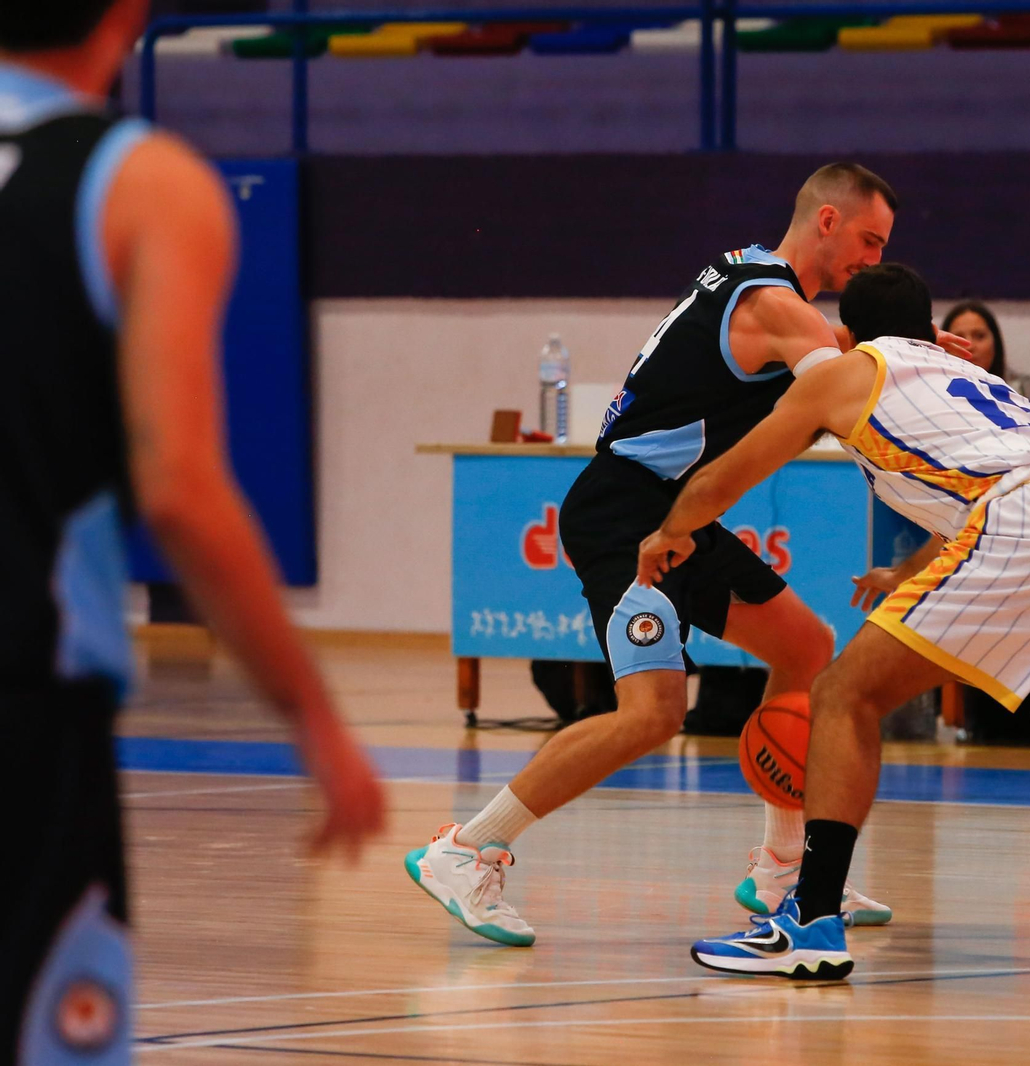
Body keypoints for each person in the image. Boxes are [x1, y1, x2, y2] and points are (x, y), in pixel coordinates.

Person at [406, 164, 974, 945]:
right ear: (829, 222)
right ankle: (467, 848)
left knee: (805, 645)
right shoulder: (778, 306)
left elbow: (839, 349)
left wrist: (908, 347)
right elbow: (850, 395)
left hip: (673, 513)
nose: (872, 261)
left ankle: (780, 867)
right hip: (623, 514)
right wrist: (927, 373)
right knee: (653, 713)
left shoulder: (759, 280)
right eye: (869, 241)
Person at [0, 1, 388, 1060]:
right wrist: (312, 715)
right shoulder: (139, 181)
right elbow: (179, 487)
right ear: (129, 15)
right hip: (24, 699)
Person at [640, 264, 1030, 979]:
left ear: (850, 332)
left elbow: (728, 475)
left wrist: (672, 528)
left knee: (841, 696)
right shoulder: (979, 377)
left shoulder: (841, 375)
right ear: (930, 329)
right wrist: (906, 571)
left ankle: (813, 919)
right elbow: (993, 483)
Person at [941, 299, 1030, 403]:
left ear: (995, 342)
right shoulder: (935, 391)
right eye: (958, 338)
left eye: (979, 336)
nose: (970, 346)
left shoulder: (1023, 388)